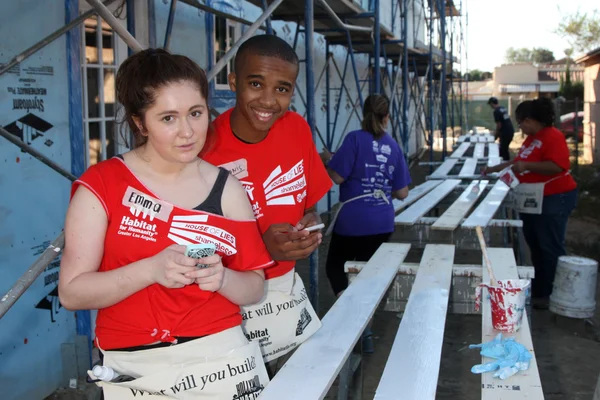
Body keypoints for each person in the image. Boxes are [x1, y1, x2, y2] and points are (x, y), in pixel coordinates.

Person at [58, 49, 273, 399]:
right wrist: (151, 269)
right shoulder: (103, 185)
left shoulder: (226, 188)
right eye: (168, 118)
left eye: (196, 113)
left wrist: (221, 278)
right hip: (136, 369)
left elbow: (254, 287)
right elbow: (71, 292)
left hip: (222, 358)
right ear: (141, 123)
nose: (187, 132)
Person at [200, 35, 332, 370]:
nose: (269, 100)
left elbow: (308, 207)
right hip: (228, 303)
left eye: (282, 88)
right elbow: (191, 248)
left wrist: (310, 226)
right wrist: (261, 251)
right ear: (233, 82)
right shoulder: (204, 150)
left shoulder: (297, 129)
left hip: (286, 299)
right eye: (256, 83)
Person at [483, 98, 578, 309]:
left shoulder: (552, 137)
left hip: (554, 198)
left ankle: (557, 295)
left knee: (550, 246)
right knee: (536, 245)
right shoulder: (532, 138)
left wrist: (527, 165)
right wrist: (497, 168)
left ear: (531, 120)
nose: (520, 127)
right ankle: (541, 291)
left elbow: (557, 166)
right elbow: (519, 162)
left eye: (521, 123)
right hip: (533, 201)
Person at [320, 94, 411, 298]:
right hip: (382, 221)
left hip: (353, 219)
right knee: (367, 272)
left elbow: (337, 177)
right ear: (386, 117)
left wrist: (328, 160)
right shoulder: (393, 146)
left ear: (363, 113)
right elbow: (403, 192)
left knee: (336, 268)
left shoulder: (354, 139)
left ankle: (348, 309)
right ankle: (364, 322)